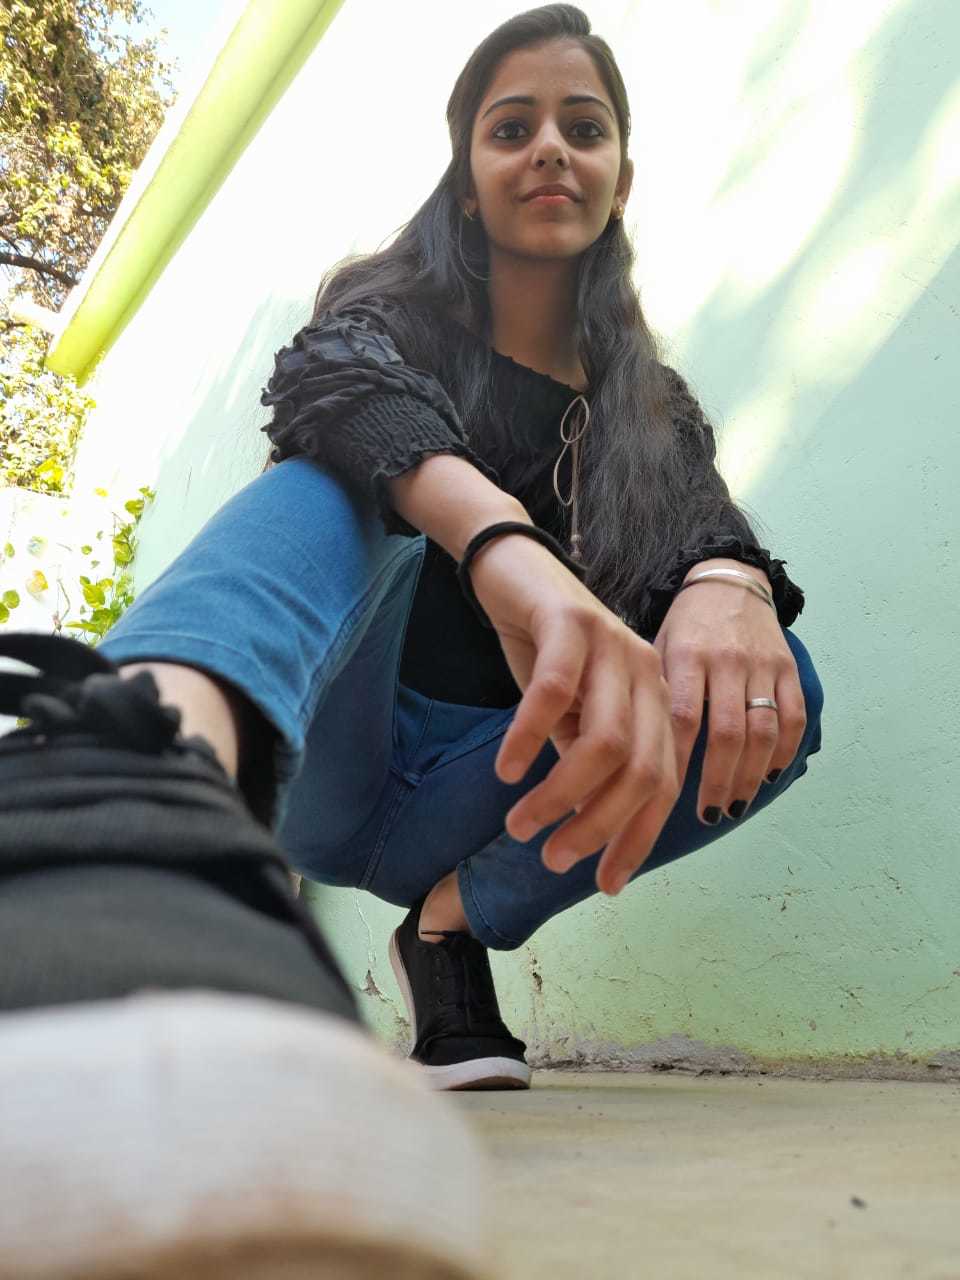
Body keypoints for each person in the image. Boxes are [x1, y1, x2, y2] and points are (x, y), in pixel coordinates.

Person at [0, 7, 823, 1265]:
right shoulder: (388, 317)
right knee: (349, 467)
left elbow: (699, 524)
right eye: (513, 126)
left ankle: (448, 924)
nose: (550, 148)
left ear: (620, 175)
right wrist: (504, 546)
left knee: (770, 681)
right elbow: (330, 383)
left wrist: (726, 576)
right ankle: (134, 788)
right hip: (333, 756)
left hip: (488, 788)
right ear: (468, 171)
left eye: (584, 127)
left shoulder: (651, 409)